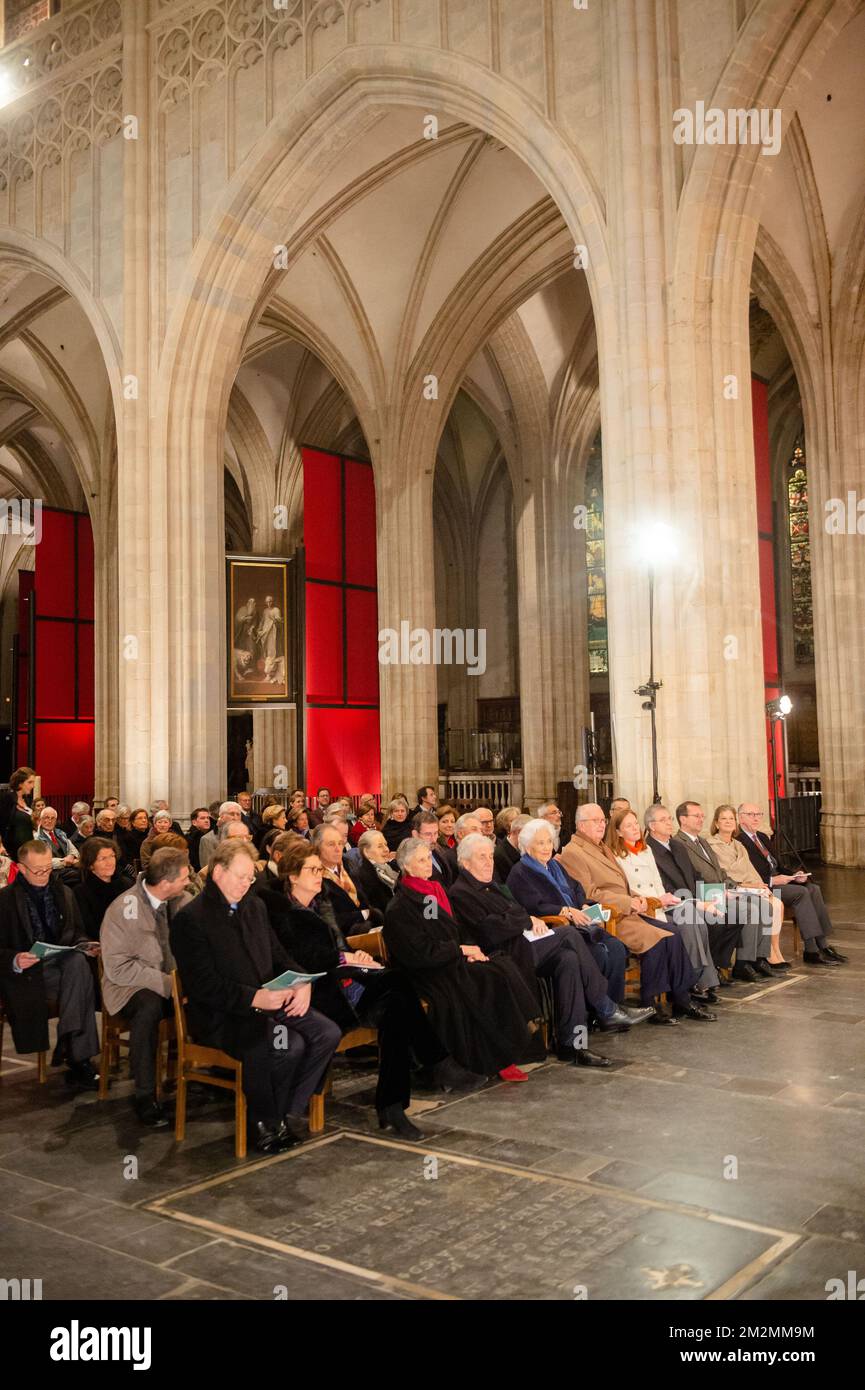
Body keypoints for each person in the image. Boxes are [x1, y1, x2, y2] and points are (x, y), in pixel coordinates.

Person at [263, 840, 484, 1140]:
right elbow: (300, 959)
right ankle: (432, 1068)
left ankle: (394, 1105)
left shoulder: (323, 900)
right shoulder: (280, 910)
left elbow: (337, 947)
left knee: (397, 996)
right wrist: (344, 958)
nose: (319, 875)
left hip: (346, 982)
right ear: (292, 876)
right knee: (399, 996)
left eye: (319, 870)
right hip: (315, 994)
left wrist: (357, 957)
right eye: (312, 870)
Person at [170, 840, 341, 1154]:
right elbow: (202, 985)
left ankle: (286, 1112)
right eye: (240, 877)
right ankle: (262, 1122)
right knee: (288, 1045)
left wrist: (302, 982)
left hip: (268, 1002)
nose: (246, 884)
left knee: (328, 1032)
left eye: (251, 878)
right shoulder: (190, 919)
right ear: (218, 872)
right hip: (224, 1014)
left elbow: (279, 955)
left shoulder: (254, 906)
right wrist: (254, 999)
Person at [450, 834, 653, 1063]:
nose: (489, 862)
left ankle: (572, 1045)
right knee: (567, 933)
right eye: (481, 858)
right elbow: (491, 929)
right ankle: (606, 1008)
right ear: (465, 863)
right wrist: (523, 920)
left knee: (568, 960)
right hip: (503, 955)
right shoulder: (460, 892)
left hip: (523, 944)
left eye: (490, 856)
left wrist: (518, 918)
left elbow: (516, 911)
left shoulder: (493, 886)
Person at [383, 836, 541, 1082]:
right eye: (421, 860)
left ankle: (512, 1044)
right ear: (406, 867)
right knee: (484, 979)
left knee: (499, 965)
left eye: (428, 859)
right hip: (425, 971)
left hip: (447, 960)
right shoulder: (400, 905)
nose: (428, 865)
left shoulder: (431, 892)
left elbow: (447, 929)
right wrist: (460, 951)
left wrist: (469, 947)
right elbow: (421, 950)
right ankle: (487, 1058)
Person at [557, 805, 698, 1024]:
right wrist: (628, 902)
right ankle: (650, 1002)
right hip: (611, 916)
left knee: (674, 933)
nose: (601, 825)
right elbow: (589, 893)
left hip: (627, 908)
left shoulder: (600, 846)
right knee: (657, 940)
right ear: (581, 825)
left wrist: (636, 897)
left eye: (603, 820)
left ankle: (682, 998)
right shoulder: (574, 851)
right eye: (595, 821)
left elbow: (621, 883)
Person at [100, 846, 193, 1126]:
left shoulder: (183, 900)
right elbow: (118, 967)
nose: (189, 882)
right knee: (149, 1008)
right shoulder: (124, 908)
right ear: (165, 883)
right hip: (129, 986)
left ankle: (208, 1072)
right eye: (184, 877)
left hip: (175, 981)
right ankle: (145, 1094)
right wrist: (169, 984)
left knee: (213, 994)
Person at [0, 840, 100, 1089]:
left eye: (48, 868)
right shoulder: (5, 901)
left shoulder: (63, 893)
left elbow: (75, 932)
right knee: (81, 982)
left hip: (60, 967)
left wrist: (86, 944)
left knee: (78, 962)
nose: (45, 875)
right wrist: (14, 958)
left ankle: (72, 1048)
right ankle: (77, 1056)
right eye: (38, 870)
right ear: (21, 868)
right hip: (25, 974)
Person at [506, 818, 631, 1009]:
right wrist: (564, 911)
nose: (547, 847)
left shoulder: (555, 866)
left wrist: (582, 906)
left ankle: (616, 1006)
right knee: (599, 952)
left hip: (580, 922)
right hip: (556, 929)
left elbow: (577, 888)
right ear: (527, 846)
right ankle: (598, 1011)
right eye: (540, 843)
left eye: (549, 841)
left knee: (616, 947)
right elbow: (533, 906)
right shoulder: (521, 872)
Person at [609, 808, 722, 1006]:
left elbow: (658, 883)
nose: (635, 828)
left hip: (661, 903)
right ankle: (692, 984)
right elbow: (629, 890)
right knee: (687, 918)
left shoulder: (646, 849)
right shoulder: (615, 856)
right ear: (618, 832)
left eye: (635, 823)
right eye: (628, 825)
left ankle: (698, 981)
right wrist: (662, 902)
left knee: (695, 919)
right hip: (643, 908)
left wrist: (665, 899)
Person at [676, 800, 780, 979]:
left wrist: (732, 886)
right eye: (696, 816)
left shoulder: (701, 841)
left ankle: (757, 957)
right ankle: (741, 963)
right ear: (682, 819)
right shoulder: (679, 843)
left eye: (702, 816)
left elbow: (720, 871)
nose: (701, 819)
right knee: (751, 909)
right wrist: (722, 890)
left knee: (765, 906)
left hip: (721, 889)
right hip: (706, 893)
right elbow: (695, 875)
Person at [736, 804, 847, 967]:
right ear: (740, 817)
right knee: (800, 893)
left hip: (780, 880)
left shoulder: (762, 836)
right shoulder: (739, 841)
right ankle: (811, 950)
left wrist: (795, 875)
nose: (756, 817)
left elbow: (779, 866)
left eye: (758, 814)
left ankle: (823, 945)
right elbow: (747, 874)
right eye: (751, 814)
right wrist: (773, 881)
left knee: (812, 888)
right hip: (764, 886)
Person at [645, 804, 738, 992]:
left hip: (693, 899)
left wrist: (713, 894)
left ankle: (715, 969)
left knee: (735, 914)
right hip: (674, 903)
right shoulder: (649, 849)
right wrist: (696, 902)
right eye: (663, 820)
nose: (669, 823)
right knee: (702, 921)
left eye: (669, 818)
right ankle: (701, 980)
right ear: (652, 826)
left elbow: (696, 876)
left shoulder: (677, 846)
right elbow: (663, 886)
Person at [707, 805, 788, 969]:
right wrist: (747, 884)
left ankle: (768, 953)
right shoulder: (711, 845)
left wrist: (760, 886)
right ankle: (753, 959)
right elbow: (726, 872)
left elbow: (749, 870)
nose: (728, 822)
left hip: (748, 886)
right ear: (716, 823)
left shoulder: (738, 845)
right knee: (762, 907)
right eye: (724, 818)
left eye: (731, 818)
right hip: (731, 889)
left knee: (776, 903)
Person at [313, 823, 380, 932]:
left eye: (340, 843)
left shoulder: (348, 865)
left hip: (367, 927)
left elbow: (363, 900)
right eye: (331, 844)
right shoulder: (315, 875)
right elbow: (329, 919)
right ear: (317, 847)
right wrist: (363, 914)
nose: (338, 849)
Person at [73, 836, 135, 938]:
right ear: (90, 864)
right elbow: (89, 930)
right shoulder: (80, 893)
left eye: (112, 856)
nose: (110, 862)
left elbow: (136, 919)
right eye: (103, 859)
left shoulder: (127, 885)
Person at [352, 829, 400, 914]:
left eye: (386, 845)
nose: (386, 849)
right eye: (380, 846)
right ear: (366, 852)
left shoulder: (389, 868)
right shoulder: (364, 877)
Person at [411, 811, 456, 887]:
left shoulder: (438, 849)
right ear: (415, 834)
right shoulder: (411, 860)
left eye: (435, 833)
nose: (433, 840)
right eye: (428, 834)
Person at [2, 768, 38, 855]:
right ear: (20, 783)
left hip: (28, 846)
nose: (33, 786)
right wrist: (0, 846)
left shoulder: (27, 800)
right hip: (12, 849)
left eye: (33, 782)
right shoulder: (8, 798)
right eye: (30, 782)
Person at [198, 801, 243, 868]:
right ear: (222, 816)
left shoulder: (243, 836)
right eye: (232, 814)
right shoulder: (208, 839)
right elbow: (208, 868)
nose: (235, 818)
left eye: (238, 814)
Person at [494, 812, 529, 883]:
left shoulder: (523, 849)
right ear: (519, 832)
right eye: (530, 834)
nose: (532, 839)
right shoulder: (499, 855)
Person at [185, 807, 213, 872]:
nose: (207, 820)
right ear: (194, 822)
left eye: (208, 818)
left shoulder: (209, 835)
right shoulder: (191, 838)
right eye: (202, 818)